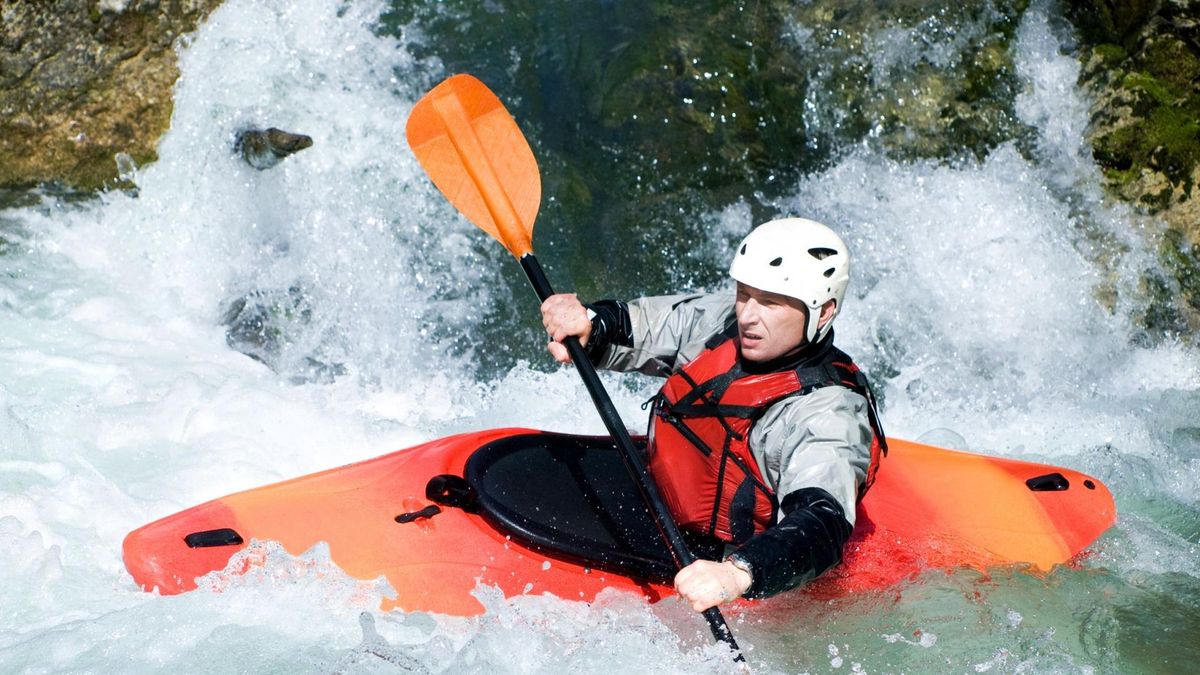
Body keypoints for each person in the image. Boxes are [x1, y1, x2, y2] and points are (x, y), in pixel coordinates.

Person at [539, 217, 886, 612]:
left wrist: (737, 574)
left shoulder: (828, 413)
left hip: (733, 564)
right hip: (660, 502)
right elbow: (644, 327)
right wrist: (590, 324)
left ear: (822, 313)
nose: (748, 315)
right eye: (744, 293)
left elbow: (821, 523)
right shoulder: (729, 321)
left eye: (771, 302)